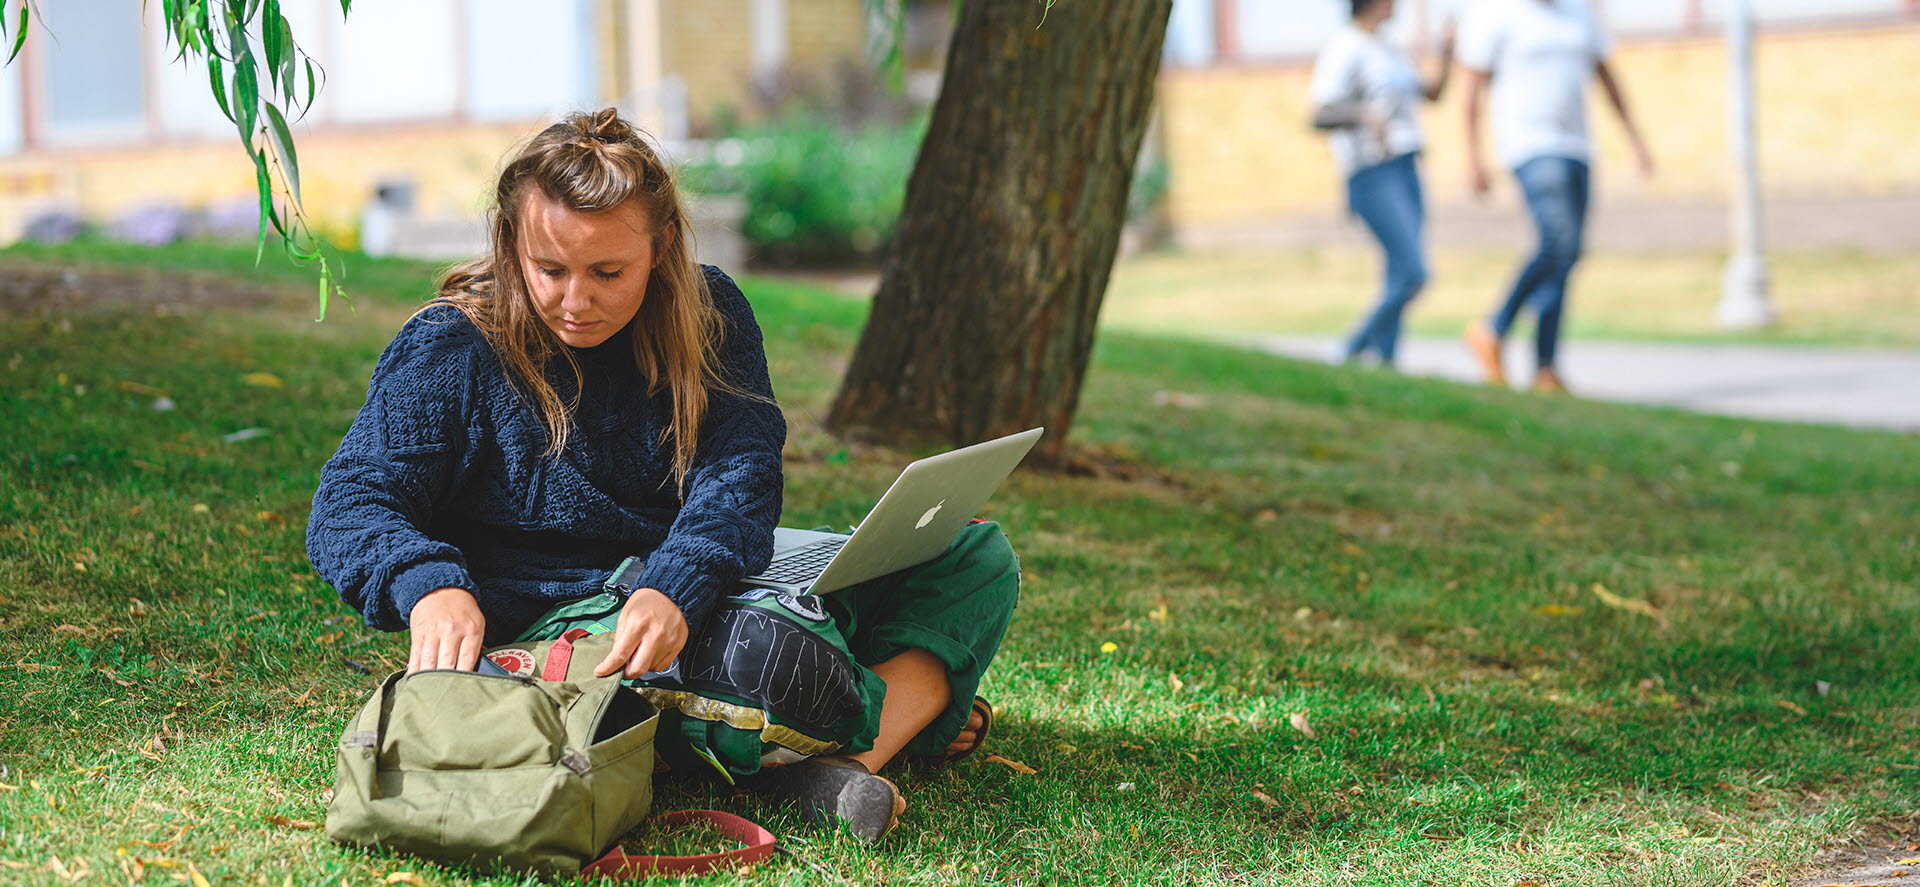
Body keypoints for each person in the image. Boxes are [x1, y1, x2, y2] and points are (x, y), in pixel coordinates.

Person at [305, 108, 1016, 842]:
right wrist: (429, 584)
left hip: (691, 586)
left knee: (970, 555)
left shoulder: (712, 315)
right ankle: (881, 712)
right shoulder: (452, 345)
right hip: (562, 627)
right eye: (548, 269)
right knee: (769, 656)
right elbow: (350, 502)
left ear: (662, 244)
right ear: (511, 242)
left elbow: (740, 478)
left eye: (607, 271)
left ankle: (845, 760)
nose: (575, 300)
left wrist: (676, 584)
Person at [1459, 0, 1654, 392]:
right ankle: (1492, 328)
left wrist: (1634, 138)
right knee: (1556, 240)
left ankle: (1545, 367)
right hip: (1528, 144)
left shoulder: (1579, 11)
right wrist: (1473, 156)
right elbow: (1471, 91)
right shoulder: (1497, 13)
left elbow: (1606, 76)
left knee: (1568, 254)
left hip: (1577, 145)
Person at [1309, 0, 1454, 368]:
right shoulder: (1345, 47)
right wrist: (1363, 115)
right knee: (1413, 272)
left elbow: (1432, 93)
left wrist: (1447, 52)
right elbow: (1318, 113)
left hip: (1406, 164)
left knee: (1396, 272)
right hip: (1371, 170)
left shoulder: (1389, 47)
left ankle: (1385, 364)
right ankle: (1350, 351)